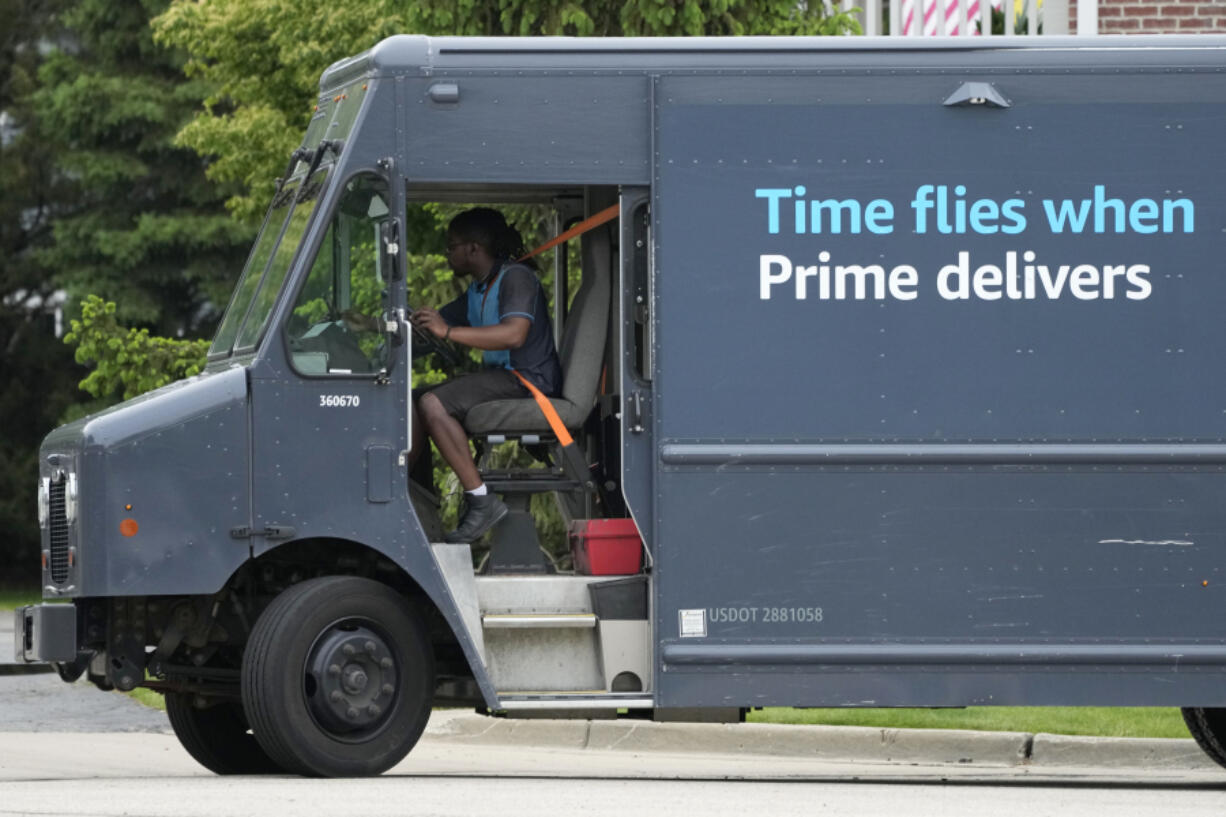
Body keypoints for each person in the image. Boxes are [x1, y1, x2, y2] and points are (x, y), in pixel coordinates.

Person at [409, 208, 563, 543]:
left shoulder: (517, 278)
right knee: (414, 399)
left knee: (434, 404)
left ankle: (481, 501)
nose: (447, 253)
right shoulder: (480, 289)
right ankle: (412, 493)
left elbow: (513, 335)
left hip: (528, 381)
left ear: (474, 249)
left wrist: (447, 332)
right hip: (503, 378)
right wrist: (378, 325)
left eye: (452, 246)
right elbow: (435, 326)